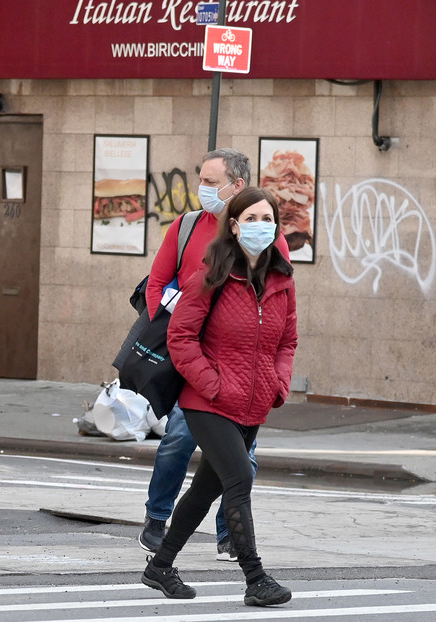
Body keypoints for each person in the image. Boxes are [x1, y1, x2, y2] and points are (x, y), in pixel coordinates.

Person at [141, 187, 297, 607]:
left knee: (205, 489)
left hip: (254, 403)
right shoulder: (210, 275)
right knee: (240, 477)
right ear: (234, 226)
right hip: (207, 400)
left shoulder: (282, 279)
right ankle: (255, 578)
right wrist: (212, 384)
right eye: (251, 219)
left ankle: (160, 566)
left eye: (268, 220)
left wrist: (278, 383)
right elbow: (181, 336)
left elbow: (288, 341)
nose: (261, 227)